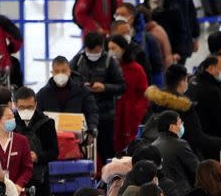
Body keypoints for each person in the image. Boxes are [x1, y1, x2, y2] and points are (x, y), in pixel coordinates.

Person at [145, 64, 221, 159]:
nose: (187, 83)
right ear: (182, 82)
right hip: (179, 155)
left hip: (154, 153)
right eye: (186, 80)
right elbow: (197, 138)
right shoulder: (184, 106)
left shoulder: (154, 100)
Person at [70, 32, 126, 165]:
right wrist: (81, 87)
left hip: (105, 116)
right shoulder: (78, 60)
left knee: (107, 151)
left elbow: (122, 86)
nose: (92, 54)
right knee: (82, 152)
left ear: (101, 47)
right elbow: (69, 83)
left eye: (95, 51)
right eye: (89, 51)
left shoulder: (110, 62)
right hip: (83, 116)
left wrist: (105, 87)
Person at [13, 86, 59, 196]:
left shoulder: (46, 123)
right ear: (15, 104)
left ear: (36, 105)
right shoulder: (10, 122)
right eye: (21, 107)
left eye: (30, 107)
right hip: (15, 178)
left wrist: (37, 156)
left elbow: (54, 152)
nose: (26, 110)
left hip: (39, 177)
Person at [35, 56, 99, 137]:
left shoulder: (82, 91)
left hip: (76, 139)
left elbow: (92, 111)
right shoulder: (43, 93)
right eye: (57, 71)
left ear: (69, 71)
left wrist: (92, 127)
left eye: (63, 71)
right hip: (51, 138)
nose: (60, 74)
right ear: (52, 72)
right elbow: (37, 114)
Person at [107, 35, 149, 154]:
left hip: (128, 117)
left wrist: (135, 114)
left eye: (114, 48)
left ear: (123, 49)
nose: (111, 52)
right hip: (110, 114)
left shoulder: (136, 69)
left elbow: (143, 95)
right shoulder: (107, 69)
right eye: (108, 48)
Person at [141, 0, 189, 66]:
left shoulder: (173, 9)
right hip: (149, 55)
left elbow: (180, 32)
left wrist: (178, 52)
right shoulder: (142, 9)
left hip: (170, 54)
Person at [114, 3, 165, 85]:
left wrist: (156, 90)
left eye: (123, 14)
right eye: (117, 14)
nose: (119, 17)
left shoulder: (147, 39)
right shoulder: (111, 39)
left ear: (132, 18)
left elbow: (157, 67)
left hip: (141, 86)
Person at [152, 111, 199, 196]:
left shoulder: (153, 146)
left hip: (161, 194)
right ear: (172, 127)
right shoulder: (180, 144)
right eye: (180, 122)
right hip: (182, 194)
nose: (182, 125)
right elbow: (196, 169)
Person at [162, 0, 199, 64]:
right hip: (167, 40)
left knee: (180, 68)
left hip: (184, 41)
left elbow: (193, 18)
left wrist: (195, 38)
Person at [109, 18, 154, 86]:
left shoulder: (138, 52)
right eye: (123, 33)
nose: (127, 36)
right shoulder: (104, 48)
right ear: (113, 33)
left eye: (128, 33)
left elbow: (146, 76)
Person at [136, 5, 174, 70]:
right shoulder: (157, 28)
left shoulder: (151, 34)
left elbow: (154, 58)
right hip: (166, 66)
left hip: (161, 69)